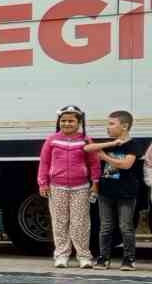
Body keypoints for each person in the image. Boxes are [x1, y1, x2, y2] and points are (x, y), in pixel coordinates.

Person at [37, 105, 100, 269]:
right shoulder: (52, 139)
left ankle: (84, 256)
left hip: (81, 187)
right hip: (57, 186)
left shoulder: (86, 140)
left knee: (80, 222)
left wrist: (95, 182)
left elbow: (94, 162)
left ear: (79, 122)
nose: (67, 124)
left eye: (71, 121)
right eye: (63, 121)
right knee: (59, 222)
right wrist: (42, 183)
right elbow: (44, 162)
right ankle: (61, 255)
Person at [86, 109, 140, 270]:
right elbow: (88, 149)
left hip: (126, 193)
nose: (107, 127)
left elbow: (126, 164)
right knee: (105, 227)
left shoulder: (133, 145)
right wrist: (110, 144)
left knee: (125, 226)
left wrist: (105, 157)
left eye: (111, 124)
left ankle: (129, 259)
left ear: (124, 126)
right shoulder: (109, 143)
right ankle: (103, 258)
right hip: (106, 192)